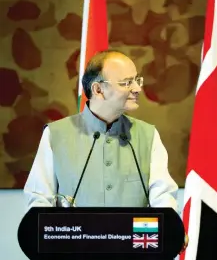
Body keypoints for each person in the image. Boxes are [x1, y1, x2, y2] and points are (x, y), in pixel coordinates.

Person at [24, 49, 178, 211]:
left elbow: (164, 199)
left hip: (133, 235)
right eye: (126, 83)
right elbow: (39, 200)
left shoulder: (148, 135)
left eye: (136, 80)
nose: (137, 89)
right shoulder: (55, 134)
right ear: (98, 90)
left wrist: (169, 230)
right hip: (76, 236)